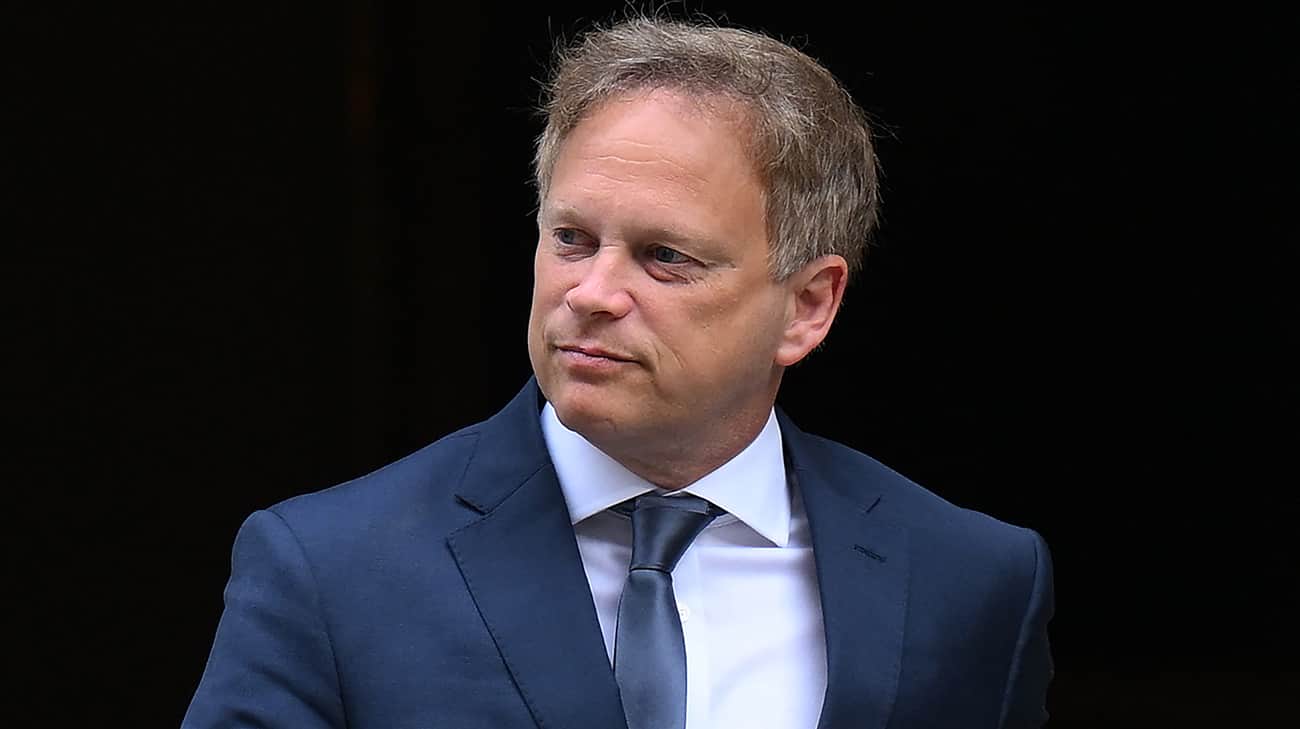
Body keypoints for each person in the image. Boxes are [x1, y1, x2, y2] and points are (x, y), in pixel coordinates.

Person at [183, 15, 1053, 729]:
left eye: (664, 255)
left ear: (807, 305)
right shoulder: (330, 567)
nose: (593, 293)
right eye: (571, 238)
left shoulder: (969, 581)